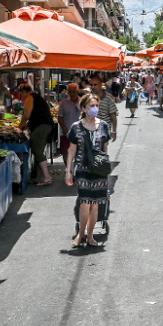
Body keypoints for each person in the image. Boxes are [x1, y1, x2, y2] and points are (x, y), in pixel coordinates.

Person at [65, 94, 112, 248]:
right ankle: (81, 234)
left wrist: (105, 165)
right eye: (91, 106)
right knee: (85, 202)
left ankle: (90, 236)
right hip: (83, 169)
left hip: (99, 171)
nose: (94, 109)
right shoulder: (76, 127)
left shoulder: (104, 125)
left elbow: (105, 148)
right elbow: (71, 150)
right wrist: (68, 171)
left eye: (96, 105)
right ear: (83, 108)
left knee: (95, 204)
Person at [18, 83, 56, 186]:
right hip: (45, 126)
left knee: (36, 150)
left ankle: (47, 177)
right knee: (38, 150)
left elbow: (26, 115)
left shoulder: (30, 97)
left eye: (21, 94)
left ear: (24, 91)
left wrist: (19, 127)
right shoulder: (37, 97)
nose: (22, 97)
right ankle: (39, 177)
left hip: (42, 126)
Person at [57, 83, 82, 157]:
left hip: (79, 133)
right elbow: (60, 117)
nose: (72, 94)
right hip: (66, 132)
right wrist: (64, 129)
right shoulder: (64, 103)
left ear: (77, 92)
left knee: (79, 154)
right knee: (65, 153)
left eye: (73, 91)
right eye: (70, 91)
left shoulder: (82, 102)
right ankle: (68, 168)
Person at [92, 75, 119, 142]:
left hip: (103, 132)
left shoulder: (108, 98)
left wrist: (114, 131)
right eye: (91, 85)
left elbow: (113, 116)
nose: (93, 87)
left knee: (101, 151)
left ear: (101, 85)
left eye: (95, 85)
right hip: (90, 131)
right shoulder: (88, 97)